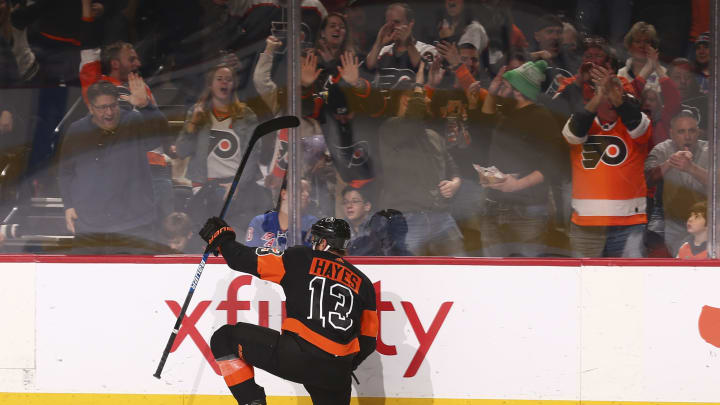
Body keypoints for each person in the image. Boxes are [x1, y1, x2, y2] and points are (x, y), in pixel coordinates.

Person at [199, 216, 378, 405]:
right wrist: (341, 365)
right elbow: (368, 342)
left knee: (224, 338)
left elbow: (243, 258)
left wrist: (223, 239)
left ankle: (252, 402)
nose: (312, 244)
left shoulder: (302, 258)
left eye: (315, 240)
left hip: (298, 356)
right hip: (337, 373)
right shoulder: (364, 283)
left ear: (323, 242)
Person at [57, 79, 167, 254]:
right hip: (90, 226)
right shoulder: (76, 131)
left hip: (134, 226)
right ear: (90, 108)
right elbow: (65, 172)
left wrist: (146, 105)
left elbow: (162, 132)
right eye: (102, 108)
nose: (109, 112)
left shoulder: (134, 121)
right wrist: (68, 205)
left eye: (112, 105)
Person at [475, 60, 563, 257]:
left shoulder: (542, 118)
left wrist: (518, 184)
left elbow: (553, 165)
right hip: (493, 205)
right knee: (491, 273)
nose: (501, 90)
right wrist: (493, 90)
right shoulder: (506, 113)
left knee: (528, 275)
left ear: (519, 91)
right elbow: (485, 120)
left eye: (506, 86)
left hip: (527, 209)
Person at [562, 66, 652, 258]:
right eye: (607, 95)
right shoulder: (578, 122)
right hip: (585, 225)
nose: (613, 100)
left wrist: (614, 94)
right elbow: (574, 135)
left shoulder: (637, 122)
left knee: (628, 282)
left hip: (629, 224)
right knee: (584, 284)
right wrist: (600, 93)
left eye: (619, 95)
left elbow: (638, 128)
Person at [175, 64, 264, 229]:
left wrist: (238, 185)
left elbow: (253, 155)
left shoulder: (246, 114)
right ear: (210, 84)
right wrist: (193, 122)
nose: (224, 83)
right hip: (205, 189)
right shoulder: (197, 113)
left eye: (229, 80)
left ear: (233, 85)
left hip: (236, 187)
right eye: (220, 79)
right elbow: (181, 150)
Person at [644, 110, 708, 256]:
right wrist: (669, 163)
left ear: (698, 132)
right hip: (672, 219)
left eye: (692, 131)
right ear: (671, 134)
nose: (687, 136)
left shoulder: (711, 151)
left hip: (706, 222)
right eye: (681, 132)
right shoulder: (662, 150)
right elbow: (646, 180)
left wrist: (691, 169)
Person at [245, 178, 317, 250]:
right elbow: (251, 256)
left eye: (309, 193)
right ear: (284, 194)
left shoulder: (313, 225)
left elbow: (308, 258)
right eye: (300, 190)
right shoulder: (260, 221)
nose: (307, 194)